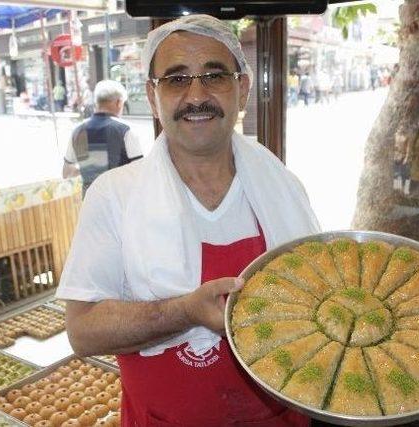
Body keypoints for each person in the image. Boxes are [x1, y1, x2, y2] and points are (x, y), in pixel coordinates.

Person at [57, 14, 319, 427]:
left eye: (215, 75)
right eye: (176, 79)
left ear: (243, 87)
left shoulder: (284, 189)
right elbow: (83, 332)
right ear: (153, 94)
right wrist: (185, 312)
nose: (197, 95)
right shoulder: (114, 196)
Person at [63, 80, 142, 192]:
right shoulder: (126, 131)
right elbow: (140, 173)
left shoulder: (78, 131)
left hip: (90, 203)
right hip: (122, 204)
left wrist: (90, 166)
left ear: (97, 103)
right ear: (119, 103)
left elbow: (67, 173)